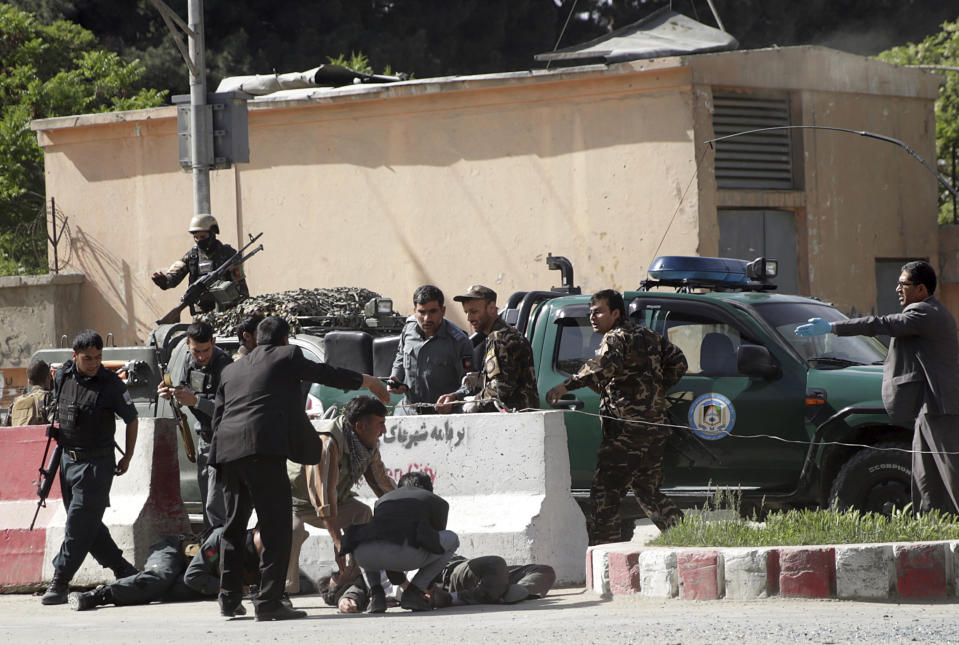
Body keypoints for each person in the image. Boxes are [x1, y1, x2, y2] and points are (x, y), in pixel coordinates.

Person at [210, 316, 389, 621]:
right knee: (276, 526)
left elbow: (218, 416)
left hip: (227, 452)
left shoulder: (232, 369)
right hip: (262, 451)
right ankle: (268, 602)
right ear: (285, 340)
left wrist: (221, 454)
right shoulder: (288, 355)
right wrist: (369, 381)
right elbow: (327, 374)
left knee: (233, 526)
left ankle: (228, 599)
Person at [795, 260, 959, 515]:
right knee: (925, 474)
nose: (897, 288)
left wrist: (833, 328)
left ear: (921, 289)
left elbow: (880, 323)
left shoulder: (925, 313)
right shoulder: (925, 312)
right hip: (929, 406)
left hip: (943, 406)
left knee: (951, 472)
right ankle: (934, 525)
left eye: (903, 284)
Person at [546, 289, 688, 544]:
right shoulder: (648, 334)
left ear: (616, 313)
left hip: (627, 431)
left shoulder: (616, 337)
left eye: (599, 311)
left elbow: (602, 366)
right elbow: (679, 362)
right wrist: (653, 390)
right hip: (654, 426)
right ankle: (689, 537)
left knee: (605, 492)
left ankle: (604, 550)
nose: (593, 317)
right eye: (590, 313)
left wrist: (566, 386)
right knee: (647, 490)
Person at [41, 330, 139, 605]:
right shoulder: (63, 375)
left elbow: (132, 419)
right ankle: (123, 570)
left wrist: (128, 456)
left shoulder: (111, 385)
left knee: (78, 523)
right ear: (75, 356)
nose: (94, 363)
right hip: (68, 460)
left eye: (98, 357)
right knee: (88, 524)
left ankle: (59, 580)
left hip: (96, 464)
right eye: (88, 358)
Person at [286, 395, 396, 595]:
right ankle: (283, 591)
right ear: (360, 426)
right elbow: (323, 497)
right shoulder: (327, 443)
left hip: (333, 502)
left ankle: (351, 576)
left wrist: (408, 506)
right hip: (294, 503)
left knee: (362, 513)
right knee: (293, 530)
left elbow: (382, 485)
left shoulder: (365, 446)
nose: (384, 431)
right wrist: (339, 543)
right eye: (380, 424)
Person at [340, 471, 459, 613]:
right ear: (430, 489)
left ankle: (377, 596)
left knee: (370, 539)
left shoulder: (383, 500)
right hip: (406, 555)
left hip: (363, 555)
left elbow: (383, 535)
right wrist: (422, 588)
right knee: (452, 539)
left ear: (399, 488)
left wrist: (398, 578)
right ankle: (415, 592)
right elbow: (434, 545)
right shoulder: (437, 502)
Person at [66, 526, 256, 611]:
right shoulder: (223, 540)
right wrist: (230, 587)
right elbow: (195, 575)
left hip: (192, 576)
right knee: (160, 578)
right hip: (173, 550)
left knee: (163, 591)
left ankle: (136, 582)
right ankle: (99, 595)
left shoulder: (265, 561)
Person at [157, 321, 232, 529]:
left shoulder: (225, 365)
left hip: (223, 442)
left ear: (213, 342)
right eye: (196, 350)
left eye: (206, 350)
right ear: (188, 344)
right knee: (208, 504)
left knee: (215, 507)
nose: (201, 356)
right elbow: (183, 389)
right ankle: (213, 553)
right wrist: (171, 393)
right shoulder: (189, 361)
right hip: (204, 442)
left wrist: (197, 401)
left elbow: (229, 409)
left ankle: (219, 554)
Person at [436, 284, 538, 413]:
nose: (469, 318)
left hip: (514, 420)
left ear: (491, 308)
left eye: (474, 312)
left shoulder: (499, 337)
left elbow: (500, 388)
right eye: (466, 312)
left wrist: (473, 402)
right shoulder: (503, 334)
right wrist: (460, 394)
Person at [336, 555, 556, 612]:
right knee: (495, 568)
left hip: (451, 571)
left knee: (543, 571)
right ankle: (494, 592)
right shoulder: (373, 558)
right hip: (439, 582)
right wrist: (349, 598)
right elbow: (361, 585)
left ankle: (511, 591)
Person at [389, 285, 473, 415]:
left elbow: (470, 384)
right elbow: (401, 356)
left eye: (433, 311)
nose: (427, 318)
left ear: (443, 311)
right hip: (407, 411)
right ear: (414, 311)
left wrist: (454, 397)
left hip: (443, 417)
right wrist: (395, 379)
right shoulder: (408, 329)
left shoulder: (458, 341)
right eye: (422, 312)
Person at [150, 214, 249, 315]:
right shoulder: (192, 256)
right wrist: (164, 281)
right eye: (196, 237)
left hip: (227, 311)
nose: (199, 240)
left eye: (203, 237)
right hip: (201, 313)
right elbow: (173, 278)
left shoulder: (227, 254)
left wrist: (245, 309)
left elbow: (240, 284)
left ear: (212, 233)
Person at [5, 359, 53, 426]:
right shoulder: (48, 398)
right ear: (49, 377)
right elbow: (56, 425)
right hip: (38, 436)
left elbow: (7, 429)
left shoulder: (16, 401)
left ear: (29, 382)